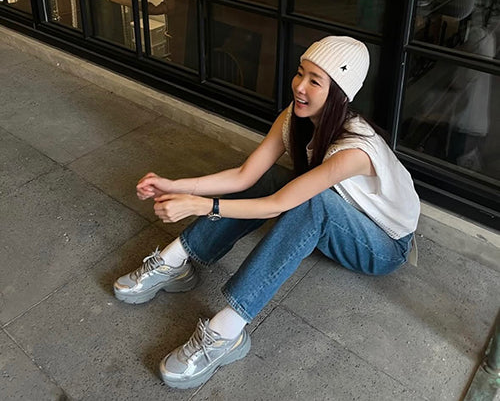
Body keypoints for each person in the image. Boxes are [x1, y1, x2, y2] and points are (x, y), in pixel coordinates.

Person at [113, 36, 421, 389]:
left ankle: (226, 332)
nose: (300, 86)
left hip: (382, 245)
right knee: (272, 179)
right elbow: (245, 175)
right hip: (336, 213)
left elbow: (278, 205)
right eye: (300, 73)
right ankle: (176, 260)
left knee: (314, 203)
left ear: (339, 93)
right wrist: (176, 185)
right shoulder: (296, 115)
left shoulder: (355, 150)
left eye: (315, 81)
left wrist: (203, 206)